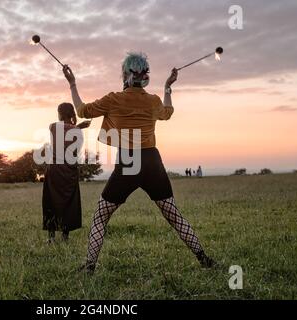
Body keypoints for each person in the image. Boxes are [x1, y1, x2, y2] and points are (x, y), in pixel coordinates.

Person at [62, 52, 216, 273]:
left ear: (125, 75)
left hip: (129, 161)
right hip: (152, 160)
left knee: (100, 217)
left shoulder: (113, 99)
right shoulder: (153, 101)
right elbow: (168, 113)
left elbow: (82, 110)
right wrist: (167, 87)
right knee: (174, 215)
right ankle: (204, 260)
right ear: (145, 77)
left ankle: (89, 267)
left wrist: (73, 84)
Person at [42, 102, 91, 244]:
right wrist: (79, 126)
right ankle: (65, 237)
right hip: (70, 170)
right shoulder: (77, 131)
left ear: (60, 113)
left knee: (51, 201)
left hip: (54, 170)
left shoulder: (54, 127)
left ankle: (51, 238)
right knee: (69, 202)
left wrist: (78, 126)